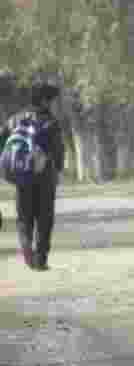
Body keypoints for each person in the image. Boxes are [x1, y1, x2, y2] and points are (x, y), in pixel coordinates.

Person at [0, 83, 65, 271]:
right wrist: (58, 168)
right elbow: (58, 151)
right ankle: (41, 260)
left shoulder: (15, 120)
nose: (52, 104)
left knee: (24, 218)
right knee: (45, 219)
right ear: (44, 101)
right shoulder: (50, 122)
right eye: (51, 100)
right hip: (44, 177)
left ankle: (28, 251)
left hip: (22, 177)